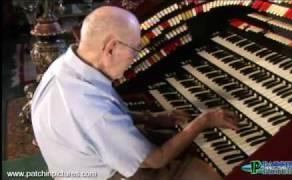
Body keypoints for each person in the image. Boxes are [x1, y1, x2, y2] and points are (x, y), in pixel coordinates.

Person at [31, 6, 239, 180]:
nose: (134, 59)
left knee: (173, 136)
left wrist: (151, 117)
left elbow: (92, 125)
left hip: (73, 164)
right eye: (134, 49)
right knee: (203, 172)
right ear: (111, 48)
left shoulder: (64, 66)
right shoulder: (91, 109)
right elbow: (156, 159)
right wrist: (204, 121)